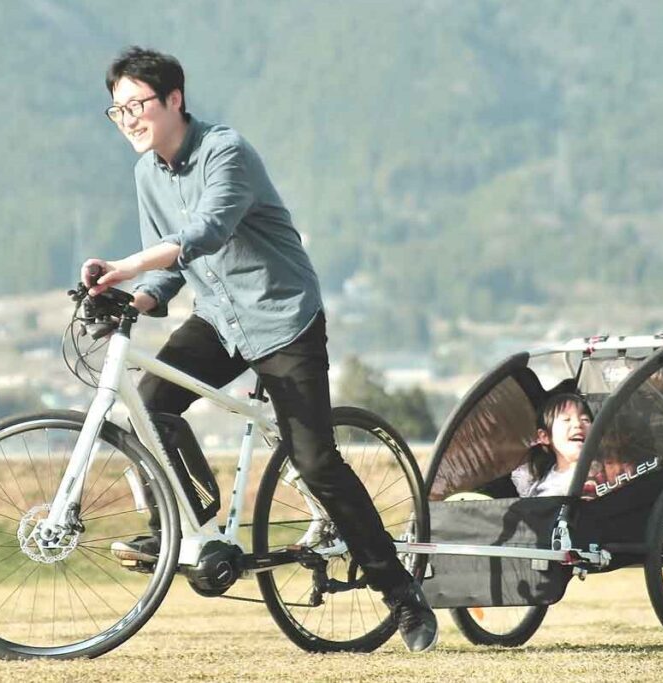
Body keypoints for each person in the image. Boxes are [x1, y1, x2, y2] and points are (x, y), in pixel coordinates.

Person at [80, 46, 437, 653]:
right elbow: (168, 271)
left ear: (174, 99)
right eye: (118, 111)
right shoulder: (147, 176)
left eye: (137, 105)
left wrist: (126, 265)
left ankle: (400, 591)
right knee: (148, 407)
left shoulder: (226, 151)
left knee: (316, 461)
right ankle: (186, 529)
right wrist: (132, 298)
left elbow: (205, 232)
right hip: (219, 321)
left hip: (283, 319)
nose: (128, 120)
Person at [511, 393, 592, 497]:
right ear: (545, 436)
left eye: (585, 420)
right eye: (566, 419)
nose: (578, 424)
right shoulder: (540, 485)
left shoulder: (606, 470)